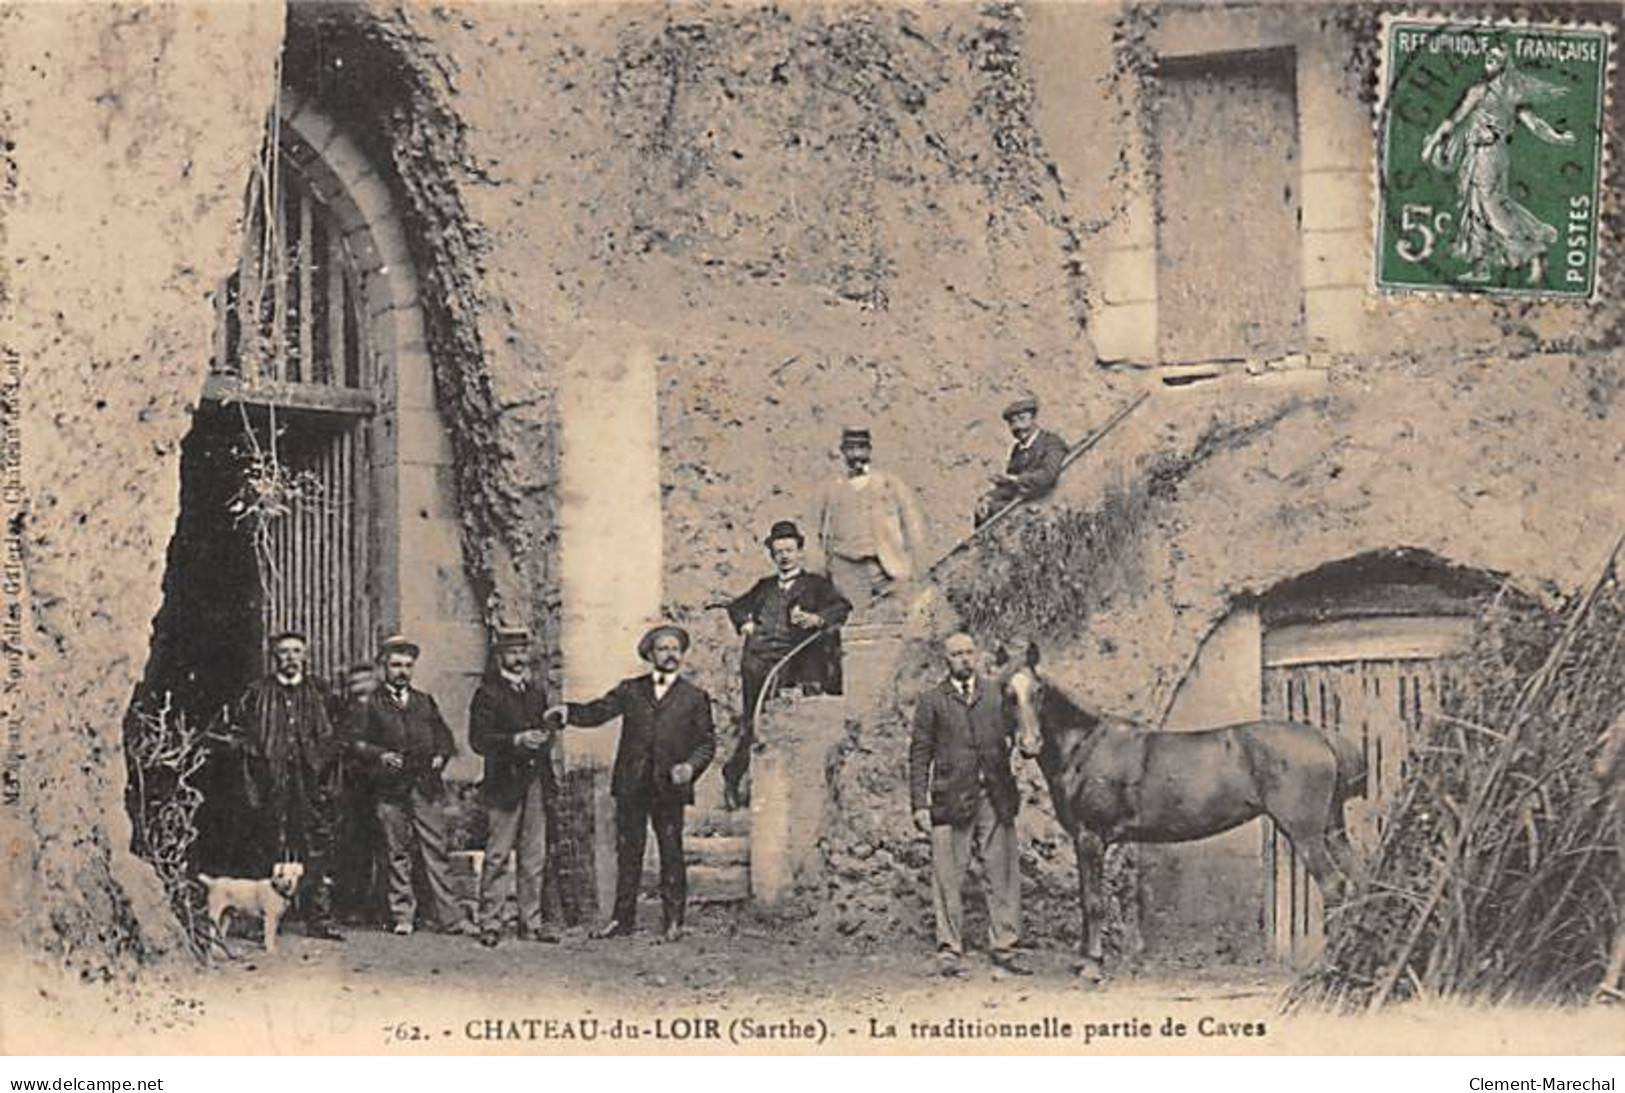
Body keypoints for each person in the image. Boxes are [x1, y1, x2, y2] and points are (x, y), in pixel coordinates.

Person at [547, 625, 716, 942]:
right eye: (663, 648)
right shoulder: (631, 690)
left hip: (669, 787)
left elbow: (707, 743)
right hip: (632, 785)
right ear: (650, 654)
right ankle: (622, 920)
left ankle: (673, 921)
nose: (670, 654)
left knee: (671, 853)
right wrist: (568, 713)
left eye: (675, 648)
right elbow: (598, 711)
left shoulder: (695, 698)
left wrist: (690, 768)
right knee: (629, 853)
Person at [908, 631, 1030, 977]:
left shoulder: (995, 694)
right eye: (956, 654)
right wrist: (919, 803)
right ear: (945, 660)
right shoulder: (932, 700)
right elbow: (919, 754)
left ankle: (1005, 945)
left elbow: (1020, 729)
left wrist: (1021, 749)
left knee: (1002, 873)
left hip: (994, 795)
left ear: (976, 655)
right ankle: (949, 948)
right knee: (947, 876)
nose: (964, 658)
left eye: (968, 652)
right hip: (949, 798)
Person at [215, 631, 346, 941]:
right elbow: (235, 731)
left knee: (314, 847)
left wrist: (321, 763)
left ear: (305, 655)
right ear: (274, 656)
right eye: (284, 651)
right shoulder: (256, 692)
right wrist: (255, 757)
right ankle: (257, 919)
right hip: (269, 782)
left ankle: (319, 919)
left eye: (296, 651)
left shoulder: (321, 691)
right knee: (265, 844)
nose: (290, 657)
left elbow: (337, 733)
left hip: (309, 783)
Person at [1420, 40, 1575, 286]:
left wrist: (1556, 137)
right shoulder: (1484, 91)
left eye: (1495, 58)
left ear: (1505, 64)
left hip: (1489, 155)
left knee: (1490, 207)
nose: (1489, 61)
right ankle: (1485, 265)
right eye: (1488, 56)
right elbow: (1455, 119)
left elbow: (1534, 123)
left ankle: (1532, 245)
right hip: (1481, 154)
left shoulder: (1502, 93)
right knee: (1479, 208)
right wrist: (1431, 145)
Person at [721, 520, 852, 809]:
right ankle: (734, 776)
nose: (784, 556)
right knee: (753, 722)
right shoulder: (764, 587)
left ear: (800, 552)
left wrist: (816, 619)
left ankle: (785, 792)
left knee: (785, 722)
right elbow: (737, 606)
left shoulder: (816, 585)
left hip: (794, 662)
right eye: (778, 551)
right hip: (757, 662)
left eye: (790, 550)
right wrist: (746, 624)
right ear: (772, 554)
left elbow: (841, 607)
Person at [348, 635, 470, 936]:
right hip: (389, 789)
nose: (402, 671)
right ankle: (403, 915)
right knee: (396, 852)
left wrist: (441, 755)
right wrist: (381, 755)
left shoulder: (423, 701)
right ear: (384, 667)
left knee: (435, 850)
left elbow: (444, 736)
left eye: (407, 665)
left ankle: (450, 917)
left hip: (425, 786)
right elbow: (356, 743)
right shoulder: (370, 704)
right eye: (395, 665)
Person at [469, 625, 560, 947]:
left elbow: (546, 733)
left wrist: (543, 737)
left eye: (523, 652)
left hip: (535, 781)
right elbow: (478, 740)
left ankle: (530, 922)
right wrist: (515, 740)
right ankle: (490, 922)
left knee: (533, 857)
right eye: (512, 652)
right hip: (503, 781)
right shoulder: (488, 694)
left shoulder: (536, 693)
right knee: (497, 855)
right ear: (499, 657)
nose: (518, 658)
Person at [811, 426, 927, 621]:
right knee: (852, 620)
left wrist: (916, 564)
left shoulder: (889, 484)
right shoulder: (830, 489)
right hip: (846, 567)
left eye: (862, 448)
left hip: (886, 565)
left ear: (869, 450)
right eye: (851, 448)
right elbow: (816, 531)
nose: (857, 454)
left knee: (899, 617)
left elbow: (912, 525)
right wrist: (820, 570)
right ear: (843, 451)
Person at [974, 396, 1069, 527]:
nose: (1018, 426)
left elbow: (1048, 476)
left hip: (1046, 504)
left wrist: (1015, 480)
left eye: (1022, 419)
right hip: (1023, 503)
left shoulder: (1051, 443)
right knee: (987, 508)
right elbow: (1010, 488)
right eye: (1012, 423)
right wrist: (988, 498)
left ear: (1033, 419)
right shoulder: (1017, 451)